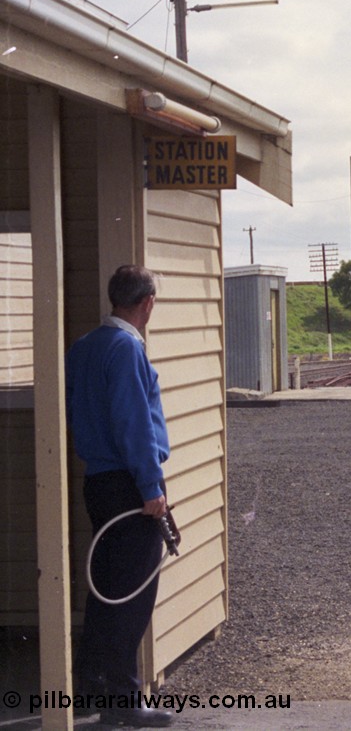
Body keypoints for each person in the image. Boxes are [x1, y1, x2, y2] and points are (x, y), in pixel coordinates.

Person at [66, 265, 175, 728]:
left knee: (106, 591)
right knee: (131, 596)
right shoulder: (127, 348)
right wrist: (151, 487)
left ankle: (92, 689)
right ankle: (124, 702)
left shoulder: (83, 347)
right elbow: (134, 425)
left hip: (98, 482)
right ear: (147, 302)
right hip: (131, 486)